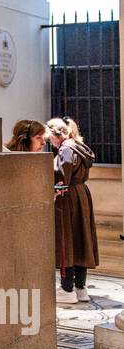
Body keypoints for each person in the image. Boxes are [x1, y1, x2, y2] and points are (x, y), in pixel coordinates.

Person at [46, 117, 99, 305]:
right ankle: (80, 287)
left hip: (67, 196)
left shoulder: (66, 148)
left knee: (66, 239)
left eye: (49, 137)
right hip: (81, 194)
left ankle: (67, 288)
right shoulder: (78, 145)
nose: (48, 141)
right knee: (80, 239)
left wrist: (53, 187)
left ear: (55, 134)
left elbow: (61, 175)